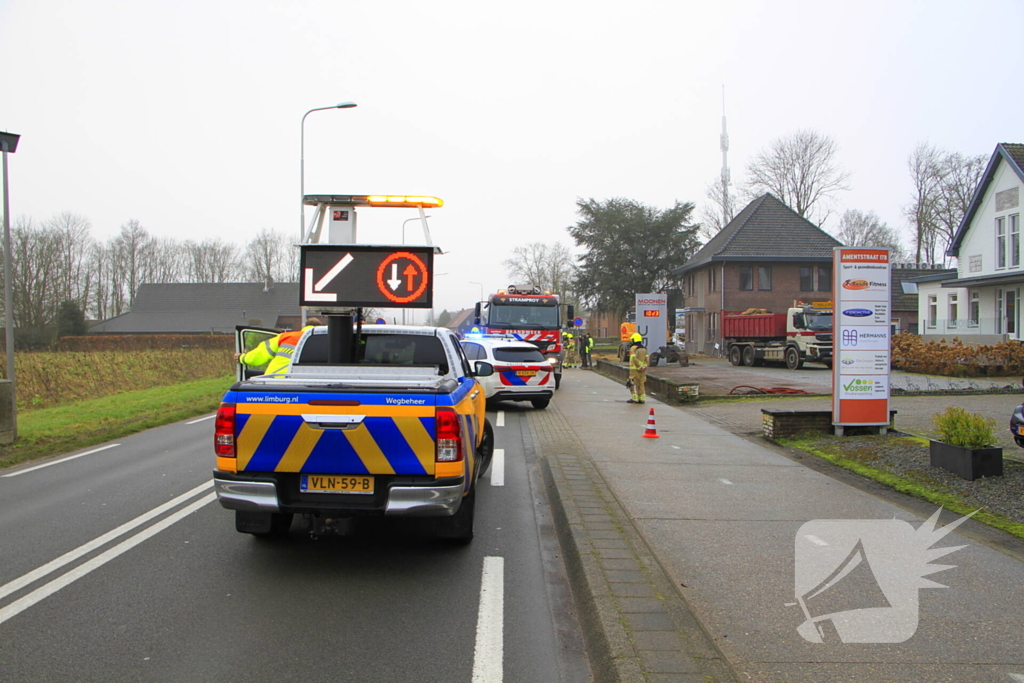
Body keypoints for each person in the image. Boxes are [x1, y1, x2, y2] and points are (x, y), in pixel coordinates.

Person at [236, 317, 322, 376]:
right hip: (306, 383)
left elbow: (259, 354)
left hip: (276, 380)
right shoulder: (328, 341)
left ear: (304, 326)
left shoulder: (286, 336)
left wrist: (242, 357)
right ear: (320, 328)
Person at [628, 337, 648, 404]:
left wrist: (639, 366)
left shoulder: (633, 348)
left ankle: (635, 398)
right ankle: (642, 398)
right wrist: (644, 366)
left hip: (634, 370)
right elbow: (647, 359)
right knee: (641, 383)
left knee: (633, 383)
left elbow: (634, 358)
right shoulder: (644, 348)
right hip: (642, 370)